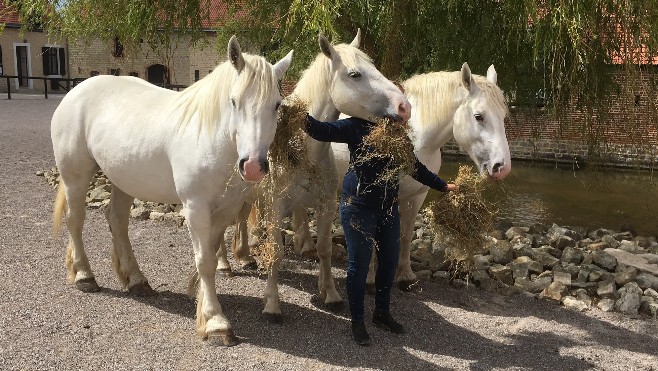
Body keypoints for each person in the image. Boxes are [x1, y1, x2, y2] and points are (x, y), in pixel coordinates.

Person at [304, 114, 459, 346]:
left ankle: (382, 313)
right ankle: (357, 321)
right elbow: (321, 131)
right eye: (393, 111)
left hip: (388, 209)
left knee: (388, 262)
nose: (399, 116)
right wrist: (297, 113)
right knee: (359, 266)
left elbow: (415, 168)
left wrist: (443, 185)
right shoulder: (356, 126)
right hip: (358, 208)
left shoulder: (399, 136)